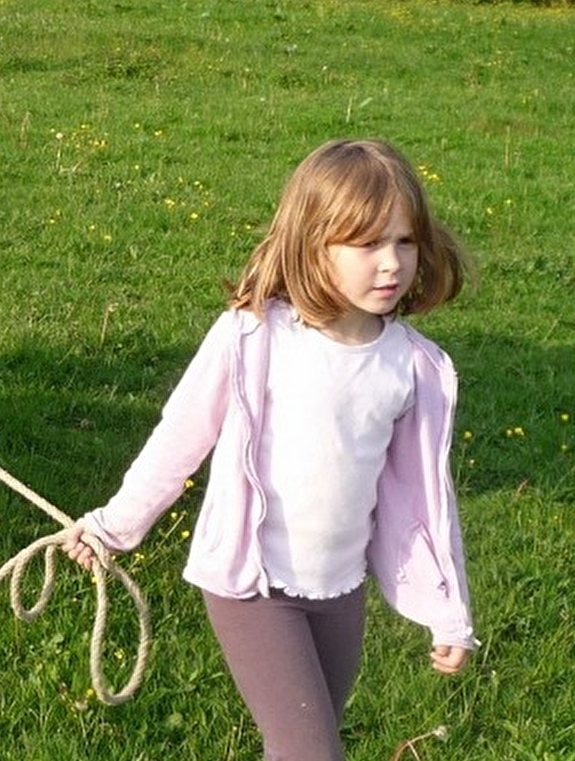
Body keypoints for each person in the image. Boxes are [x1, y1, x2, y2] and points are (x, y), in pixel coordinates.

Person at [61, 138, 477, 761]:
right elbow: (180, 437)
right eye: (366, 245)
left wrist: (449, 609)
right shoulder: (253, 336)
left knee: (301, 746)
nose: (391, 264)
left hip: (339, 587)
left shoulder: (414, 367)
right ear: (313, 244)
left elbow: (424, 500)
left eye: (405, 241)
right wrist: (112, 527)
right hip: (249, 583)